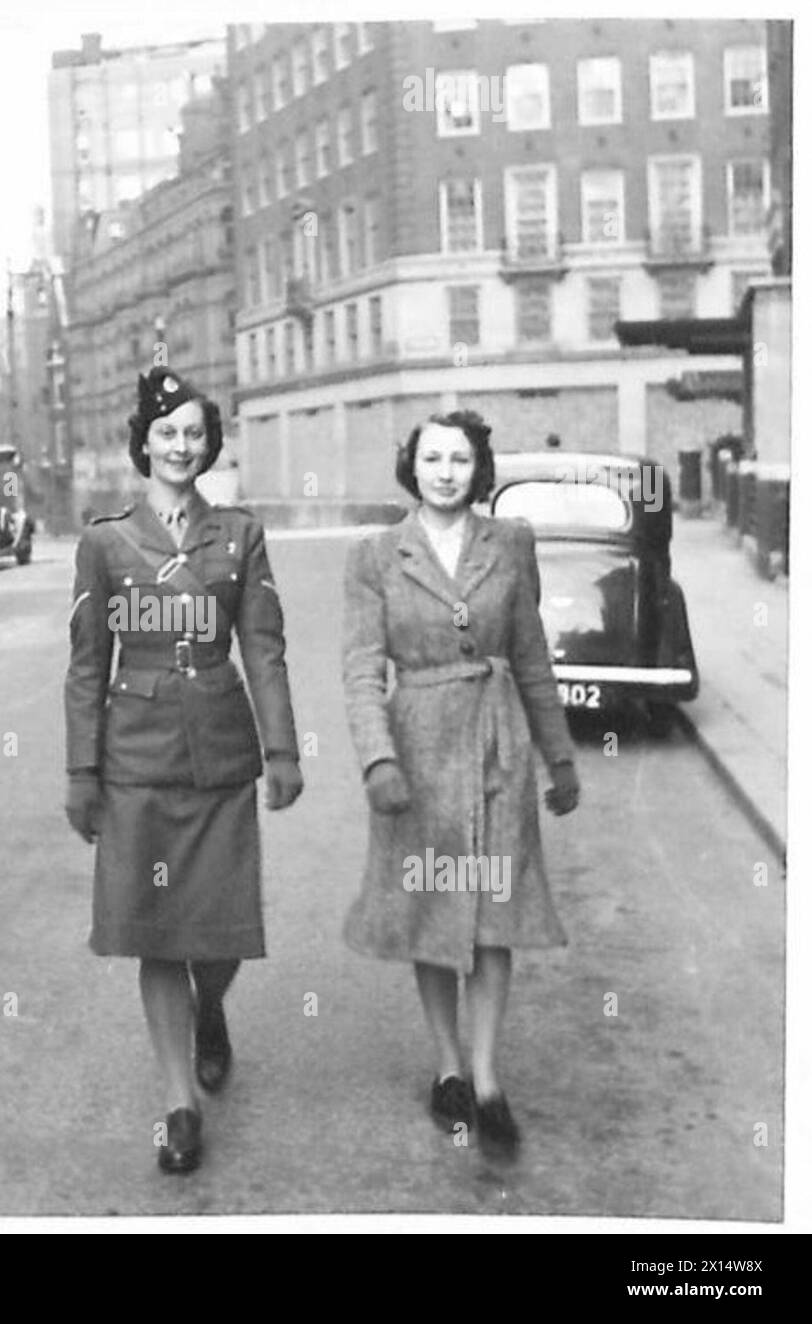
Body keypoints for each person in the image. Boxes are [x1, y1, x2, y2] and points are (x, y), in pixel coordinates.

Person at [64, 366, 304, 1175]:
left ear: (209, 446)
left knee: (222, 929)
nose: (180, 445)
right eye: (166, 433)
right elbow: (85, 666)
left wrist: (282, 749)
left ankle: (213, 1010)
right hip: (135, 760)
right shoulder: (104, 542)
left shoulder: (239, 536)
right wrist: (80, 771)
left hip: (220, 757)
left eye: (194, 434)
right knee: (154, 934)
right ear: (144, 444)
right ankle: (179, 1104)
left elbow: (263, 646)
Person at [341, 410, 580, 1159]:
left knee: (492, 915)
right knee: (431, 908)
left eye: (462, 459)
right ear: (412, 467)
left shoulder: (511, 545)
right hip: (416, 752)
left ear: (481, 469)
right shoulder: (377, 555)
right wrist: (379, 760)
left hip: (497, 746)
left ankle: (486, 1080)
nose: (447, 471)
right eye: (433, 458)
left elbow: (532, 656)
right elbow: (359, 669)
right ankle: (446, 1064)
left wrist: (560, 757)